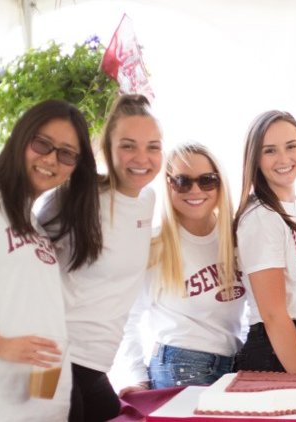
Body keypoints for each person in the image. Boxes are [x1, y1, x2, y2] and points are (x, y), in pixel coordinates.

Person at [37, 94, 160, 421]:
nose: (142, 158)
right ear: (106, 146)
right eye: (128, 145)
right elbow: (19, 257)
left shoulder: (147, 200)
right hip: (55, 356)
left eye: (153, 146)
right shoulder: (77, 197)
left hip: (95, 363)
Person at [0, 100, 102, 419]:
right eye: (42, 144)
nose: (51, 159)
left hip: (41, 402)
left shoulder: (33, 222)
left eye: (66, 153)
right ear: (21, 138)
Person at [117, 142, 245, 392]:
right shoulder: (154, 246)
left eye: (207, 180)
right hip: (181, 365)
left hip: (237, 364)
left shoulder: (238, 238)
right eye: (182, 182)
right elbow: (127, 318)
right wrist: (138, 376)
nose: (195, 190)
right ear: (168, 186)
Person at [233, 111, 296, 374]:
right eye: (270, 151)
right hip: (280, 350)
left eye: (291, 146)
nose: (284, 159)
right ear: (255, 158)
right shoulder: (262, 217)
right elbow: (274, 315)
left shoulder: (295, 210)